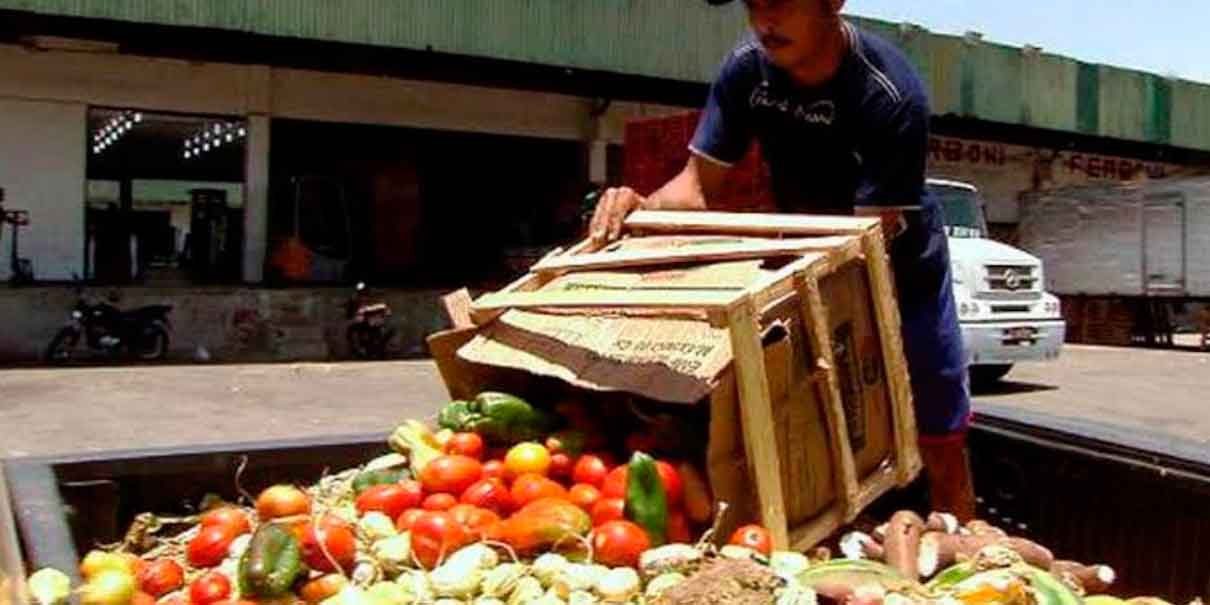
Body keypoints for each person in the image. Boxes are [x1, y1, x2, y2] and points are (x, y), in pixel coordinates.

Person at [590, 0, 976, 520]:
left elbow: (870, 231)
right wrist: (642, 210)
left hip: (898, 262)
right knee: (813, 418)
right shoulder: (748, 71)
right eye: (753, 4)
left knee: (936, 421)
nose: (763, 20)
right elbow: (698, 185)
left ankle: (967, 533)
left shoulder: (890, 92)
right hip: (802, 248)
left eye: (781, 3)